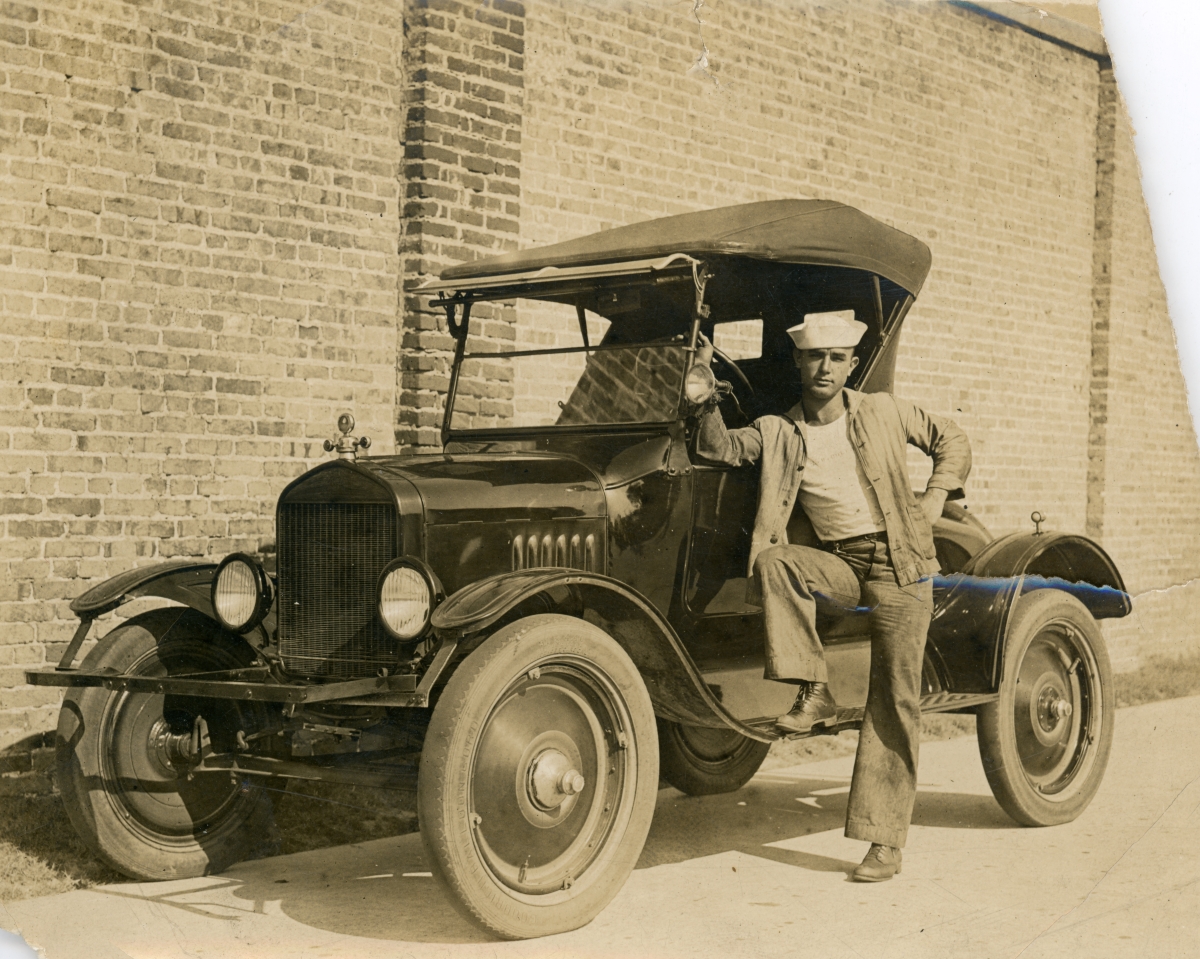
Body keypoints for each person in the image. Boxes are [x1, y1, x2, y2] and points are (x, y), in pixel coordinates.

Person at [692, 312, 971, 882]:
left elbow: (952, 438)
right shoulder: (779, 431)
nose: (825, 368)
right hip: (842, 565)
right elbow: (719, 449)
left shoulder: (883, 410)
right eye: (815, 357)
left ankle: (884, 841)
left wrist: (937, 494)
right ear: (797, 361)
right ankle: (811, 689)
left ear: (851, 364)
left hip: (901, 566)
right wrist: (700, 387)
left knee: (893, 695)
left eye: (837, 358)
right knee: (776, 563)